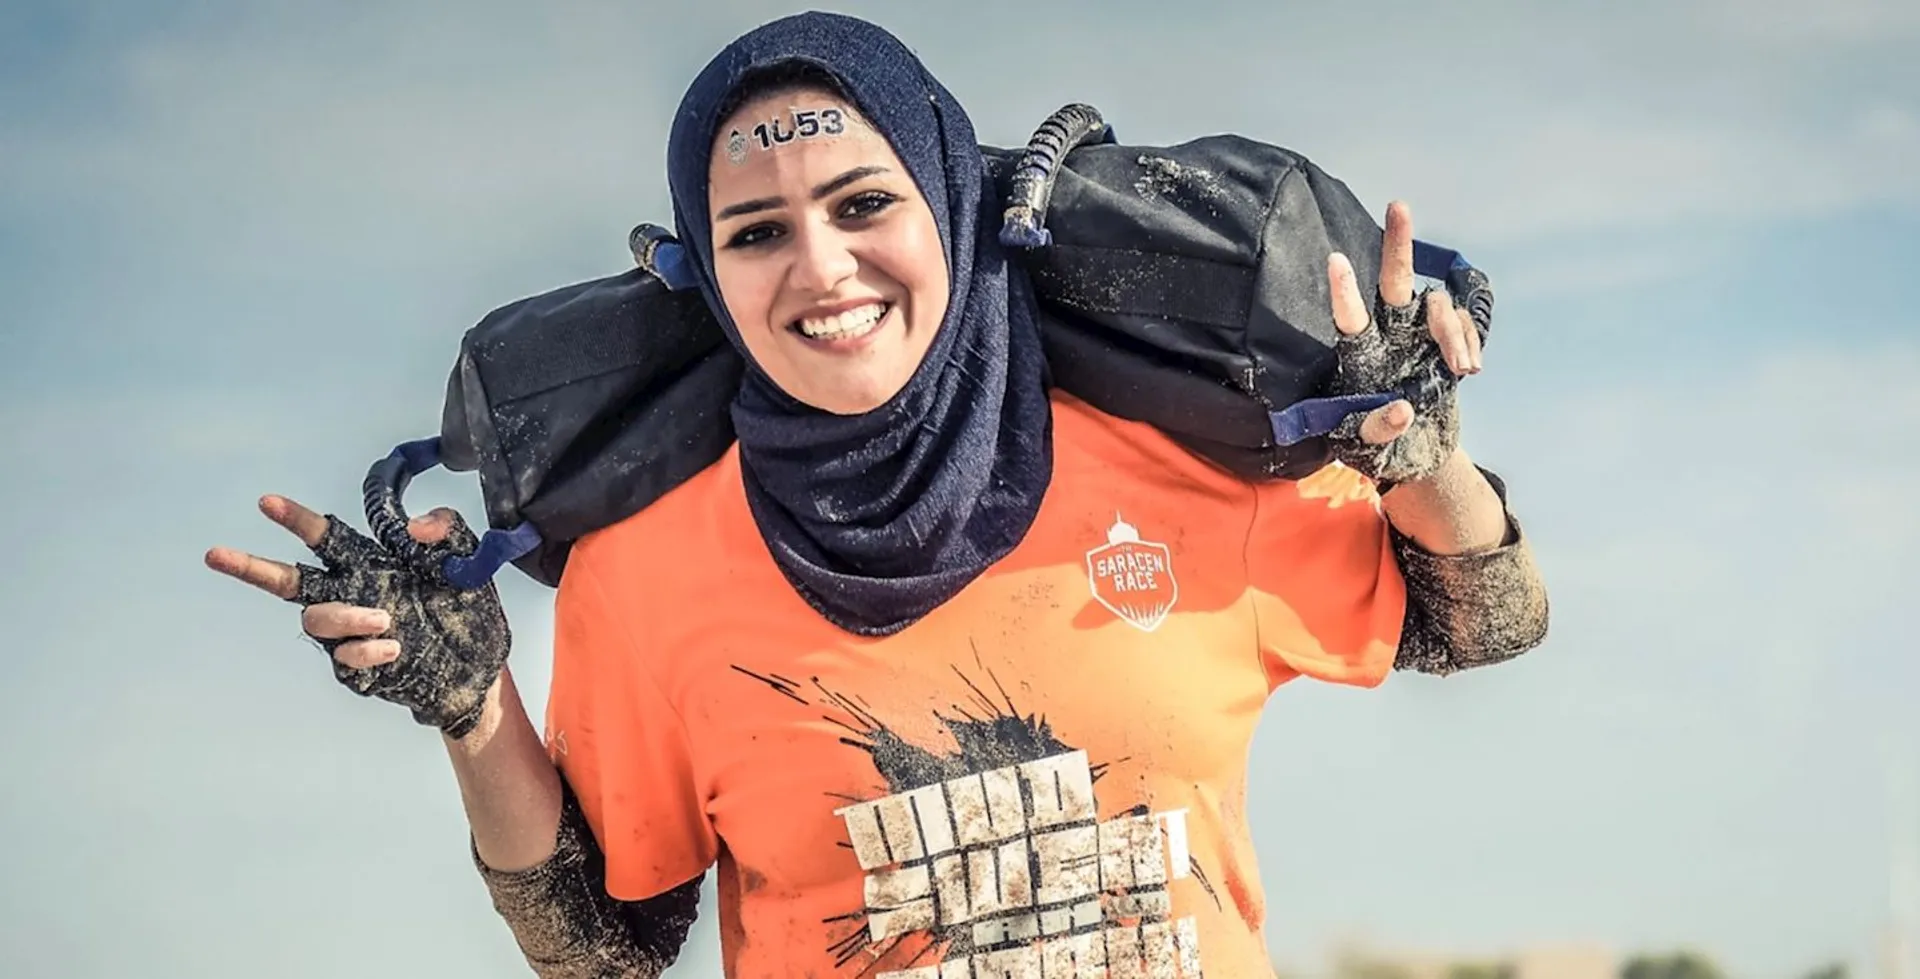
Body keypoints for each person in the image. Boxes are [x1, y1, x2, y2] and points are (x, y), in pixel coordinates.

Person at [206, 11, 1548, 978]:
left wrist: (1418, 452)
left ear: (952, 210)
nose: (823, 268)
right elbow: (603, 950)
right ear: (712, 272)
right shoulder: (646, 566)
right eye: (757, 232)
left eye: (862, 204)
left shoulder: (1170, 458)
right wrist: (472, 703)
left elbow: (1486, 619)